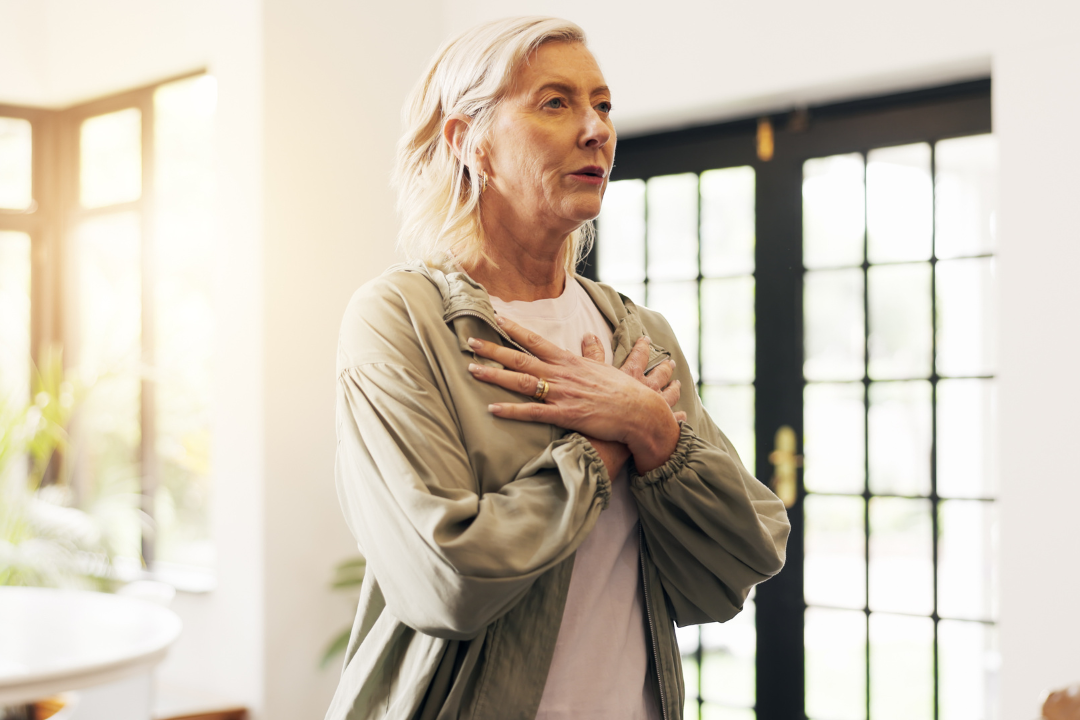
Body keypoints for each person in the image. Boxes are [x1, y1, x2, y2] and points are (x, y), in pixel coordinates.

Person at [326, 16, 790, 720]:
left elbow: (738, 561)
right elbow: (447, 580)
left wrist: (653, 430)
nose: (596, 128)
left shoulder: (639, 335)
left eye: (602, 104)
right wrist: (610, 443)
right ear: (468, 140)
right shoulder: (398, 320)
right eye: (555, 103)